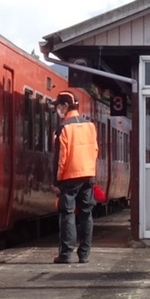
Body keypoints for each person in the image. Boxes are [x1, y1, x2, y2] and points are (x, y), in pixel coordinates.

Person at [51, 91, 99, 264]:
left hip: (70, 176)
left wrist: (57, 181)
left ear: (64, 106)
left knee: (67, 213)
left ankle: (65, 254)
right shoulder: (90, 126)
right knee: (86, 214)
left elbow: (61, 158)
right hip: (87, 175)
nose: (57, 109)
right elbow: (95, 151)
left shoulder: (64, 128)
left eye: (58, 106)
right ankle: (84, 254)